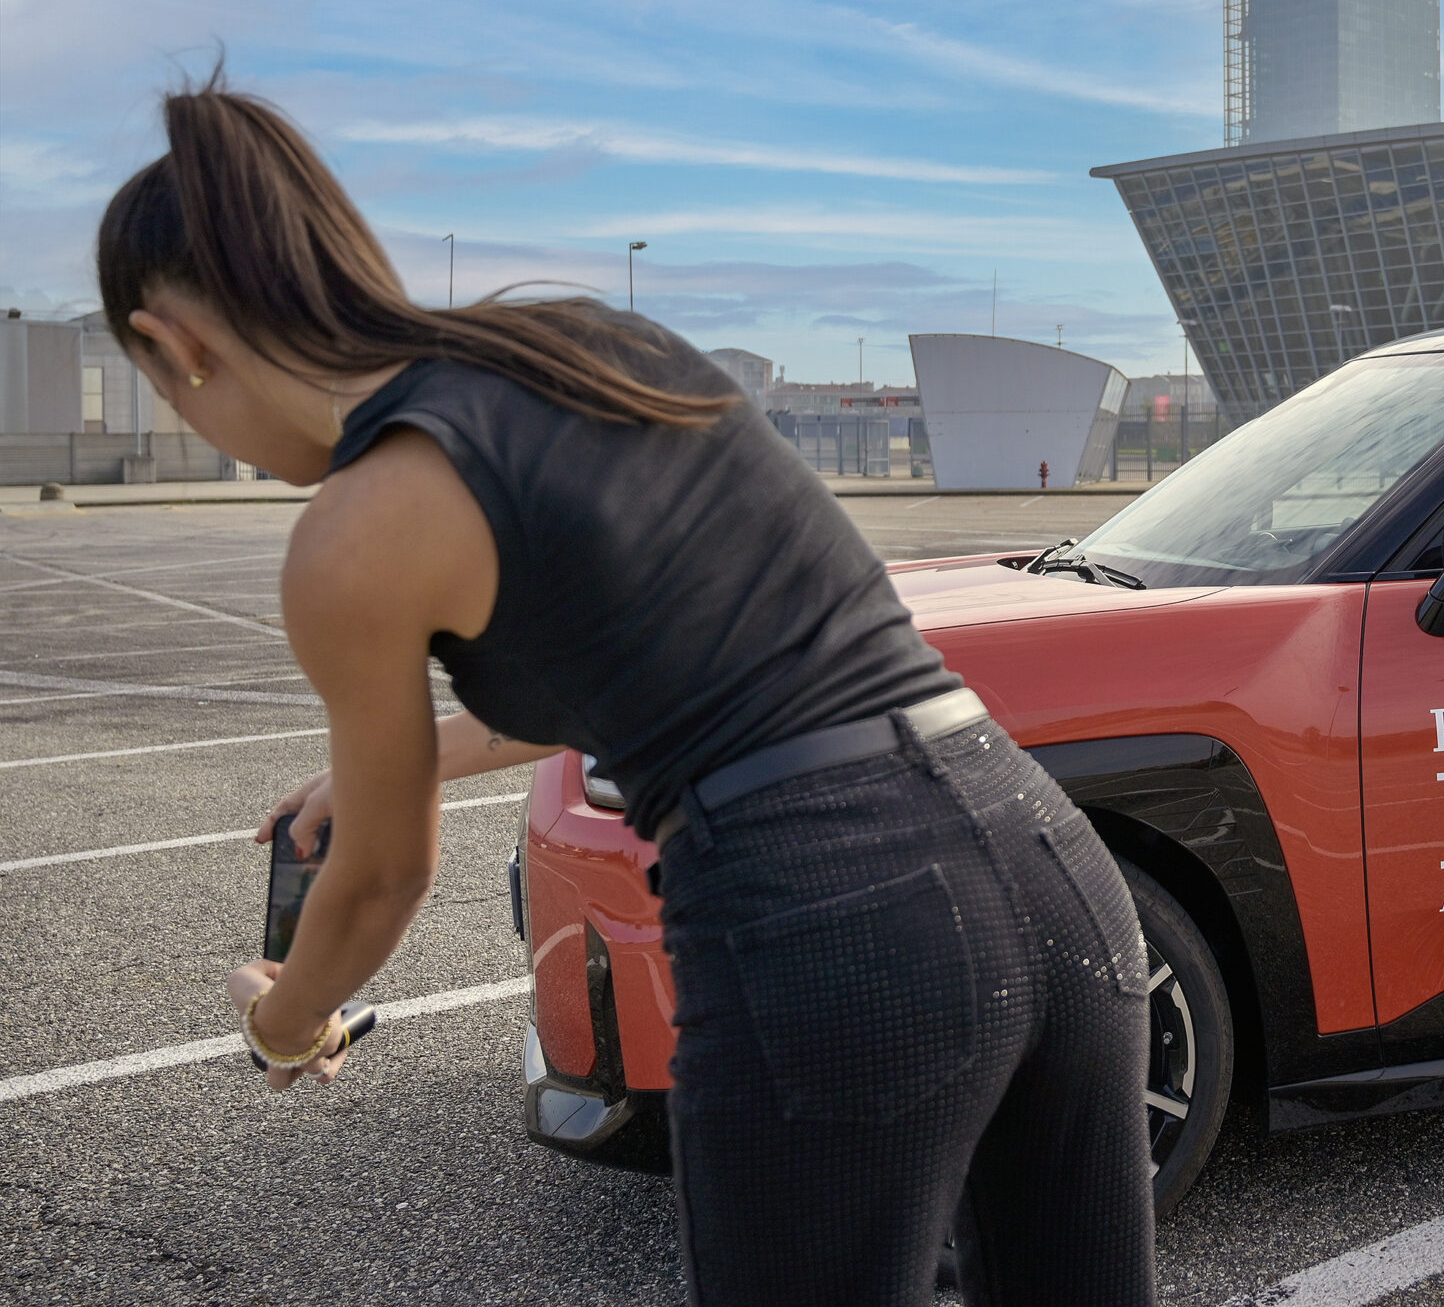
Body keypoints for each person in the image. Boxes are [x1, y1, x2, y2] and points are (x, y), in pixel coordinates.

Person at [99, 75, 1155, 1305]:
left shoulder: (354, 530)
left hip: (832, 923)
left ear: (177, 347)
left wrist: (289, 1021)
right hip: (1048, 855)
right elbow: (669, 659)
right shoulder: (588, 345)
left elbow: (383, 875)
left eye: (165, 391)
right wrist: (405, 756)